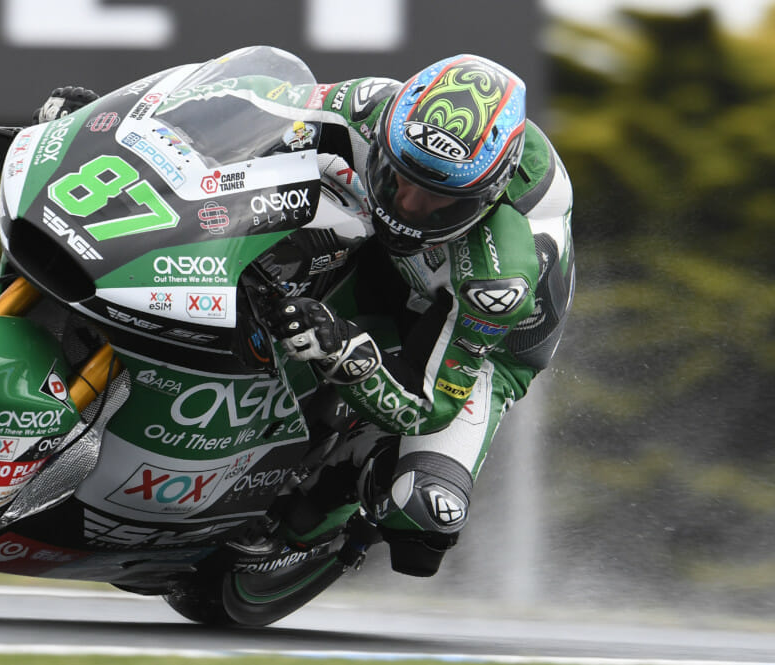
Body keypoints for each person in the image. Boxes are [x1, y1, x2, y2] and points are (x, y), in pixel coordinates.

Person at [32, 50, 574, 577]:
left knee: (423, 511)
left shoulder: (499, 276)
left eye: (439, 201)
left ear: (486, 197)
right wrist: (102, 124)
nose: (408, 206)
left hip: (478, 339)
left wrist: (342, 350)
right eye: (398, 177)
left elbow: (427, 406)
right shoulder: (370, 107)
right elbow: (238, 107)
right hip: (381, 254)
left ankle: (333, 505)